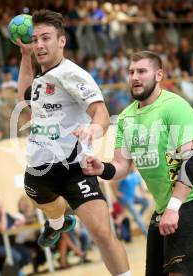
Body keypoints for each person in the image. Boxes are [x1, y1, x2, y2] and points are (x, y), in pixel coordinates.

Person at [16, 9, 130, 275]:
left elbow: (100, 112)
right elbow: (23, 100)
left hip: (74, 167)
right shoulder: (41, 77)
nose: (40, 45)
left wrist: (94, 130)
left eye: (46, 38)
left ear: (62, 41)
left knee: (102, 233)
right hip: (38, 170)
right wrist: (24, 57)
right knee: (48, 205)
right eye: (35, 40)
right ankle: (56, 223)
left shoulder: (73, 74)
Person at [83, 51, 193, 276]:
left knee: (179, 272)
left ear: (159, 75)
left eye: (142, 71)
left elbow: (192, 161)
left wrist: (174, 208)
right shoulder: (125, 118)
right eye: (131, 72)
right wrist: (102, 168)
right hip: (163, 207)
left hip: (192, 200)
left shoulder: (175, 107)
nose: (135, 77)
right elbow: (122, 165)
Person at [114, 165, 149, 236]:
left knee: (146, 202)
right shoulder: (124, 175)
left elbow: (141, 186)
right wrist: (117, 193)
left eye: (134, 166)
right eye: (131, 166)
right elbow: (113, 183)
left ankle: (137, 218)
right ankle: (146, 233)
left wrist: (144, 194)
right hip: (125, 199)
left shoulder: (136, 175)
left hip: (133, 197)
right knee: (136, 214)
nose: (133, 167)